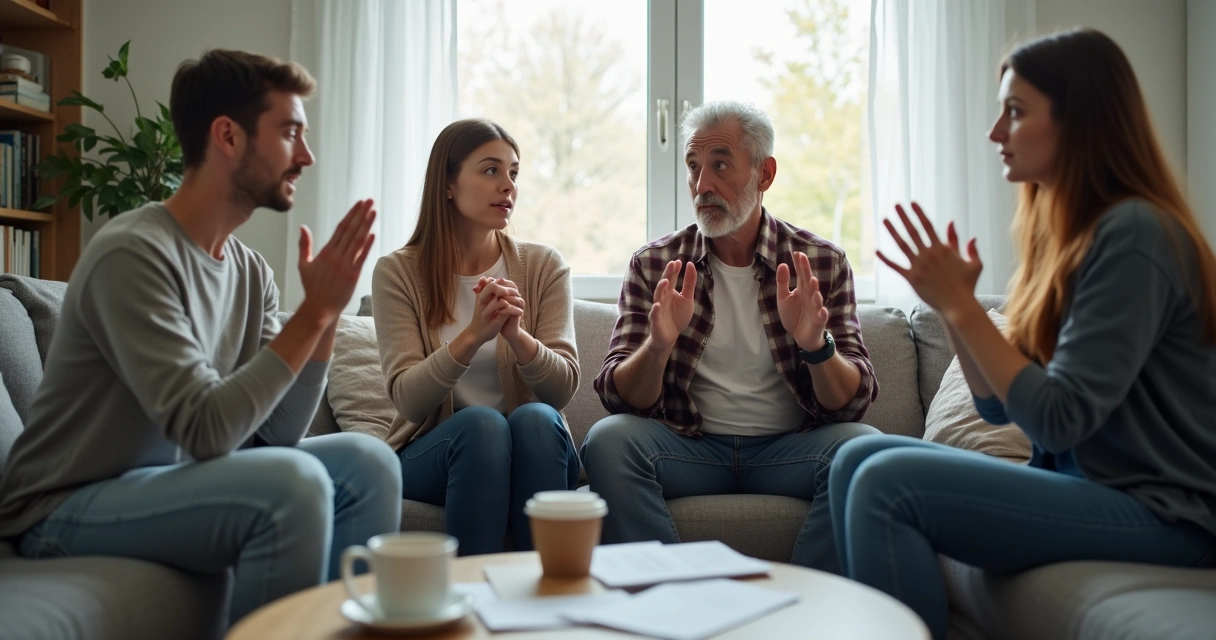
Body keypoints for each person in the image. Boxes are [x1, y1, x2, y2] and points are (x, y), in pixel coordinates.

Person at [830, 28, 1216, 639]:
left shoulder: (1136, 234)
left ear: (1080, 121)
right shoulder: (1068, 237)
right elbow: (995, 403)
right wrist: (954, 312)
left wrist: (965, 309)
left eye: (1015, 111)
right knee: (854, 455)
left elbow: (1059, 419)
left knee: (887, 482)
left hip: (1169, 514)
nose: (994, 132)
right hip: (1086, 485)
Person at [0, 49, 403, 625]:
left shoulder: (251, 271)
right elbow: (206, 430)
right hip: (65, 504)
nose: (307, 156)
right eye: (290, 132)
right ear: (228, 137)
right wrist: (310, 313)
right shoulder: (133, 254)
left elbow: (279, 430)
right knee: (293, 485)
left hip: (167, 481)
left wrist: (327, 314)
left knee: (369, 462)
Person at [582, 100, 880, 573]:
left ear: (765, 174)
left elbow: (850, 404)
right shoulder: (655, 264)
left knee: (863, 447)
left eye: (720, 165)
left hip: (789, 450)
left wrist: (816, 347)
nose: (702, 186)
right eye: (694, 167)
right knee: (609, 440)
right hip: (689, 448)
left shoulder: (820, 262)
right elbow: (623, 401)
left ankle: (807, 607)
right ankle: (671, 602)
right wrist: (657, 347)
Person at [370, 119, 580, 556]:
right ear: (447, 184)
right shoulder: (397, 273)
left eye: (514, 173)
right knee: (483, 426)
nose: (508, 186)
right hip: (433, 453)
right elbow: (408, 400)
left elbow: (561, 390)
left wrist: (516, 336)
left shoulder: (544, 267)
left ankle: (545, 597)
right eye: (490, 170)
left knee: (537, 419)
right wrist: (472, 337)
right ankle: (473, 603)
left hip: (532, 447)